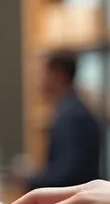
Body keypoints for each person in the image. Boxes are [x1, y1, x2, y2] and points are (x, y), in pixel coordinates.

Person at [10, 50, 101, 190]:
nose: (36, 79)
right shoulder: (70, 110)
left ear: (58, 75)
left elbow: (69, 176)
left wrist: (29, 178)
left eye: (42, 72)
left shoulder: (73, 116)